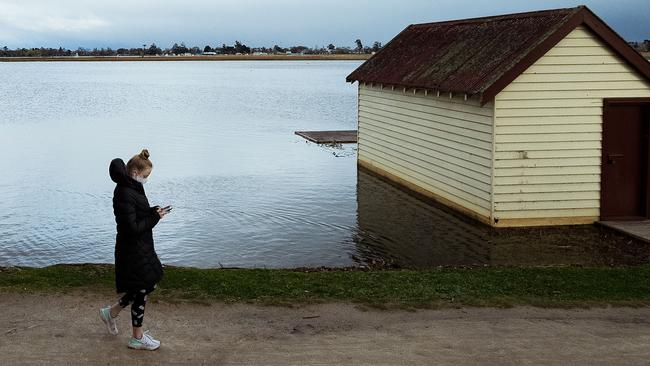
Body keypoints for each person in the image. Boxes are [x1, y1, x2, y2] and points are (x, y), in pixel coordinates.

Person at [99, 149, 170, 350]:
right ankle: (136, 337)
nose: (147, 179)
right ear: (135, 173)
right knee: (143, 287)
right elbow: (132, 228)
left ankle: (111, 313)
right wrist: (155, 218)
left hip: (140, 248)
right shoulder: (124, 192)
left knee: (145, 286)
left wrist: (151, 211)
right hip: (132, 250)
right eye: (146, 176)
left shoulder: (132, 188)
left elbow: (136, 216)